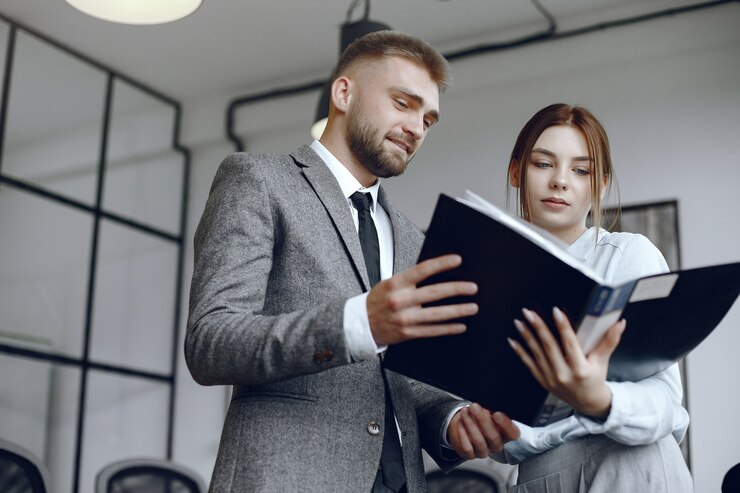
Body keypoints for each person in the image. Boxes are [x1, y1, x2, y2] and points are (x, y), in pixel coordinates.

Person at [185, 31, 519, 493]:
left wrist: (451, 420)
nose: (417, 128)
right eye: (403, 103)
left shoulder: (412, 239)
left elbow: (404, 380)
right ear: (343, 93)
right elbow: (211, 342)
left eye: (428, 119)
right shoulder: (259, 180)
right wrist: (359, 323)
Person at [497, 103, 693, 492]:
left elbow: (666, 405)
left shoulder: (628, 256)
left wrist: (599, 400)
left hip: (632, 466)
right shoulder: (494, 277)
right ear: (516, 171)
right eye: (543, 164)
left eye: (580, 170)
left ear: (600, 185)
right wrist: (584, 407)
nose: (560, 181)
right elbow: (499, 439)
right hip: (538, 480)